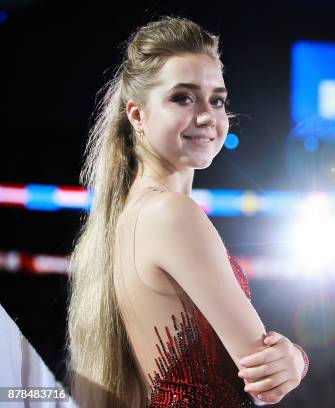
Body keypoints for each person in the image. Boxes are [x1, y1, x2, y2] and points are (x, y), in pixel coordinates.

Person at [67, 16, 309, 407]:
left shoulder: (129, 213)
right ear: (137, 115)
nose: (206, 116)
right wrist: (297, 359)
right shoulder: (172, 214)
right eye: (183, 97)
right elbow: (265, 379)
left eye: (217, 99)